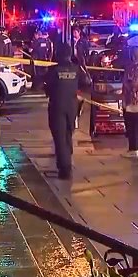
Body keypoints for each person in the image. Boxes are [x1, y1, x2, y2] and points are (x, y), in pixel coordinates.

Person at [43, 43, 92, 179]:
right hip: (72, 106)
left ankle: (65, 169)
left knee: (59, 137)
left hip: (57, 106)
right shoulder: (76, 69)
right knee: (68, 134)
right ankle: (67, 160)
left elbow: (46, 86)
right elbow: (87, 82)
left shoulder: (53, 70)